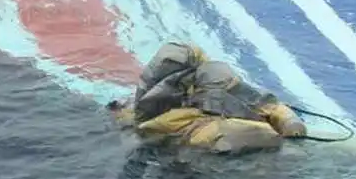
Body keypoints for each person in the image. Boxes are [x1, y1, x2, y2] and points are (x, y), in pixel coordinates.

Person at [107, 41, 307, 154]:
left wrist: (289, 120)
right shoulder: (150, 103)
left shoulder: (209, 77)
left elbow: (262, 103)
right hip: (198, 140)